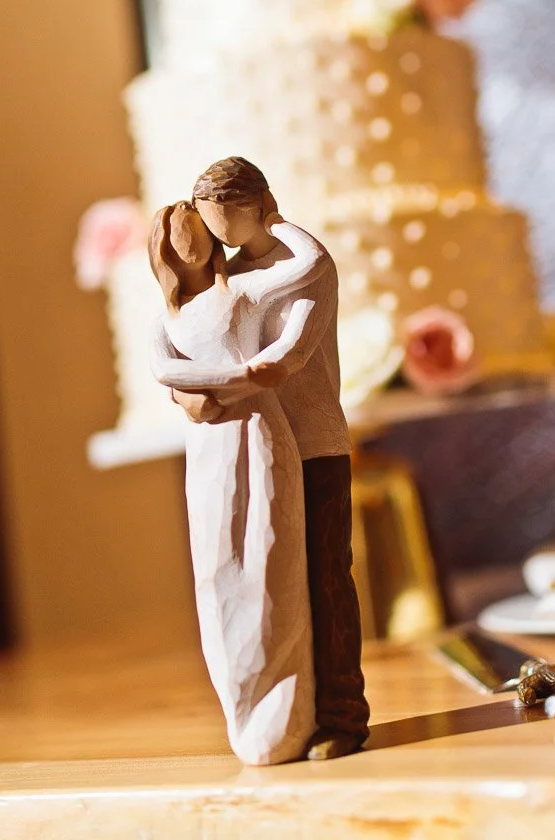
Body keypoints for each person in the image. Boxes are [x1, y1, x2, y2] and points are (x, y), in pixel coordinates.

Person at [189, 157, 370, 762]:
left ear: (255, 206)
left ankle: (342, 714)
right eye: (209, 222)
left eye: (223, 219)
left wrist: (218, 386)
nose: (216, 235)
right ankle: (289, 711)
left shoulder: (304, 266)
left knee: (325, 578)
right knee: (271, 587)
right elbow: (200, 340)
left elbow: (289, 358)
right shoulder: (232, 278)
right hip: (256, 451)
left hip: (312, 443)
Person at [148, 199, 325, 765]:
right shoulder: (168, 318)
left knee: (271, 562)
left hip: (259, 433)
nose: (188, 241)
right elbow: (165, 370)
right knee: (217, 569)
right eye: (177, 235)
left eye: (196, 229)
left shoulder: (243, 292)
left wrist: (273, 221)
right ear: (163, 249)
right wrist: (239, 376)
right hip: (209, 447)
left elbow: (313, 264)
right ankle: (241, 712)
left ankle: (286, 717)